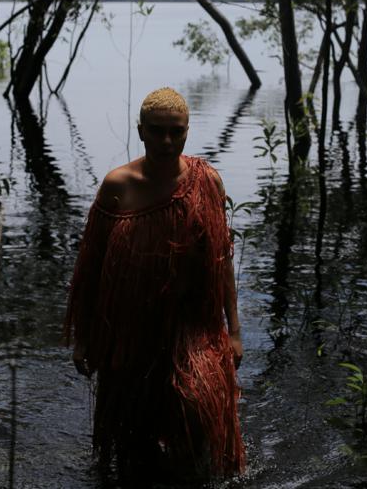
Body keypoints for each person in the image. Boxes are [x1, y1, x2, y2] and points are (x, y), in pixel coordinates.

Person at [65, 87, 245, 482]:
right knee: (133, 438)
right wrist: (84, 338)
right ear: (141, 131)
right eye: (157, 131)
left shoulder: (206, 182)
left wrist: (234, 331)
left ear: (187, 131)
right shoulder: (118, 185)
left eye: (175, 131)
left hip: (192, 326)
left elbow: (221, 262)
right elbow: (90, 268)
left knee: (198, 411)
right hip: (130, 330)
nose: (167, 141)